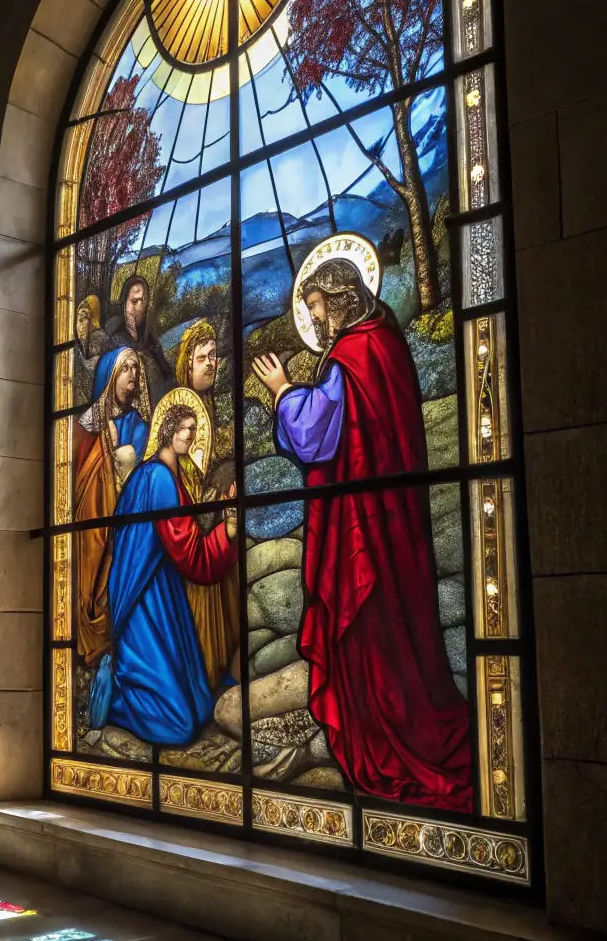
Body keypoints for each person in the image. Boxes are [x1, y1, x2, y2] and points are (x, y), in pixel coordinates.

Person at [252, 255, 472, 811]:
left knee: (372, 636)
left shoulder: (352, 357)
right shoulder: (390, 345)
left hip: (365, 533)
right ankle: (402, 721)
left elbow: (313, 435)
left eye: (318, 307)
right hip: (397, 523)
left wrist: (281, 389)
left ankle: (381, 737)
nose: (317, 319)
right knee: (404, 631)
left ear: (342, 299)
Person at [92, 393, 237, 746]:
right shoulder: (157, 477)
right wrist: (228, 531)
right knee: (179, 726)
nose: (190, 436)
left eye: (194, 429)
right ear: (168, 430)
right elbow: (188, 551)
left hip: (163, 596)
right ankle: (115, 699)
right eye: (185, 429)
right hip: (145, 601)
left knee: (202, 707)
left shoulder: (165, 475)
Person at [74, 347, 151, 666]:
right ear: (109, 377)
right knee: (89, 567)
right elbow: (77, 473)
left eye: (136, 368)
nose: (133, 374)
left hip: (128, 520)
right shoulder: (88, 425)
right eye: (125, 369)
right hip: (92, 518)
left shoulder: (142, 426)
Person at [174, 320, 239, 687]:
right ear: (187, 364)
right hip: (195, 542)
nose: (211, 363)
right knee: (201, 626)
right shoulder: (178, 416)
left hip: (221, 532)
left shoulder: (212, 407)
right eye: (202, 357)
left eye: (214, 355)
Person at [104, 274, 173, 404]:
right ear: (123, 304)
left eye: (143, 301)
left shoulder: (151, 341)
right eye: (134, 302)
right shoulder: (115, 342)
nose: (139, 308)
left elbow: (167, 376)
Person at [73, 294, 109, 403]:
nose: (80, 326)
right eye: (78, 319)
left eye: (84, 318)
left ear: (93, 320)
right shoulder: (81, 349)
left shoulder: (101, 339)